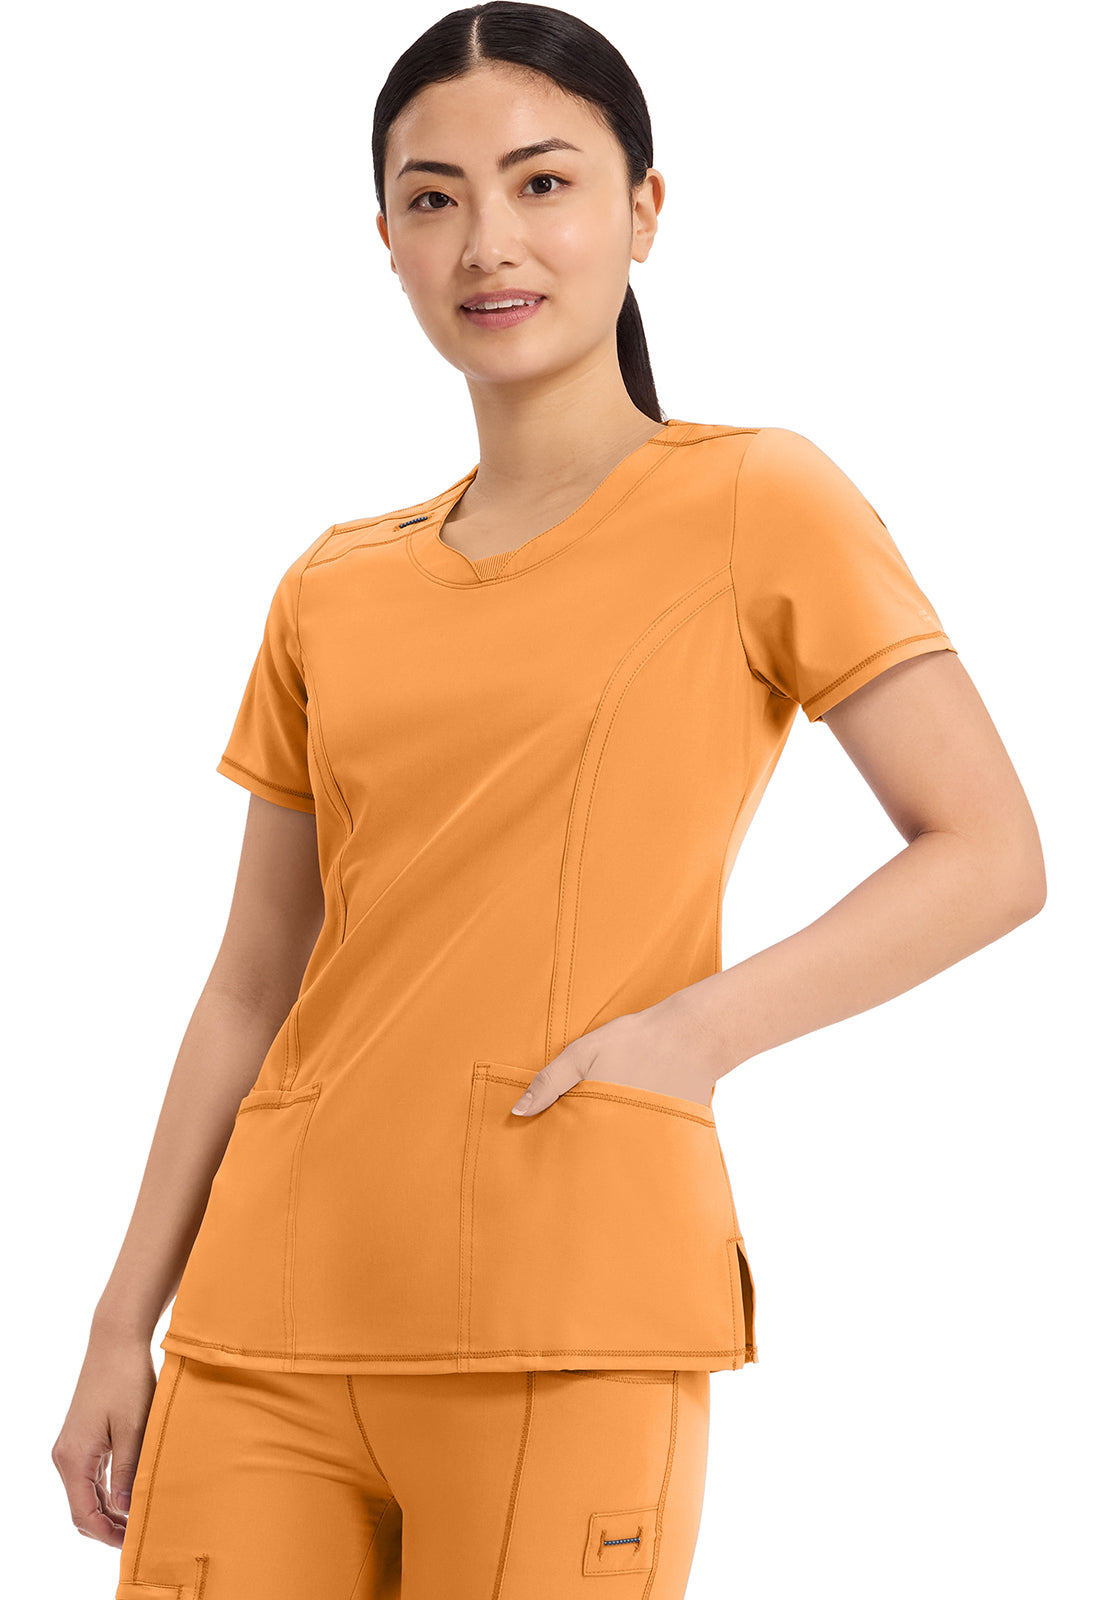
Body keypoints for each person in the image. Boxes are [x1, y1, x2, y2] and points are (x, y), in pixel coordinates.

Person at [52, 5, 1046, 1597]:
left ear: (643, 210)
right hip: (260, 1325)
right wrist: (123, 1323)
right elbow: (252, 980)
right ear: (385, 239)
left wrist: (688, 1039)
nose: (488, 243)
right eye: (434, 197)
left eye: (543, 183)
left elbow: (989, 852)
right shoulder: (331, 583)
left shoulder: (758, 500)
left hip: (569, 1298)